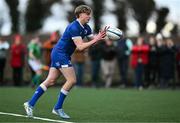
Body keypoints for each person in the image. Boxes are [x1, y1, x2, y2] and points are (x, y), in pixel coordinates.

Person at [24, 5, 107, 119]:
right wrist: (96, 39)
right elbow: (81, 47)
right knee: (72, 80)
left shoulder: (87, 28)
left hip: (61, 54)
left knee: (51, 80)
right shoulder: (74, 27)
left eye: (90, 14)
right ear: (80, 15)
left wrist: (101, 37)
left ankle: (30, 103)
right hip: (60, 54)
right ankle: (57, 108)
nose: (89, 16)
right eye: (87, 14)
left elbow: (93, 42)